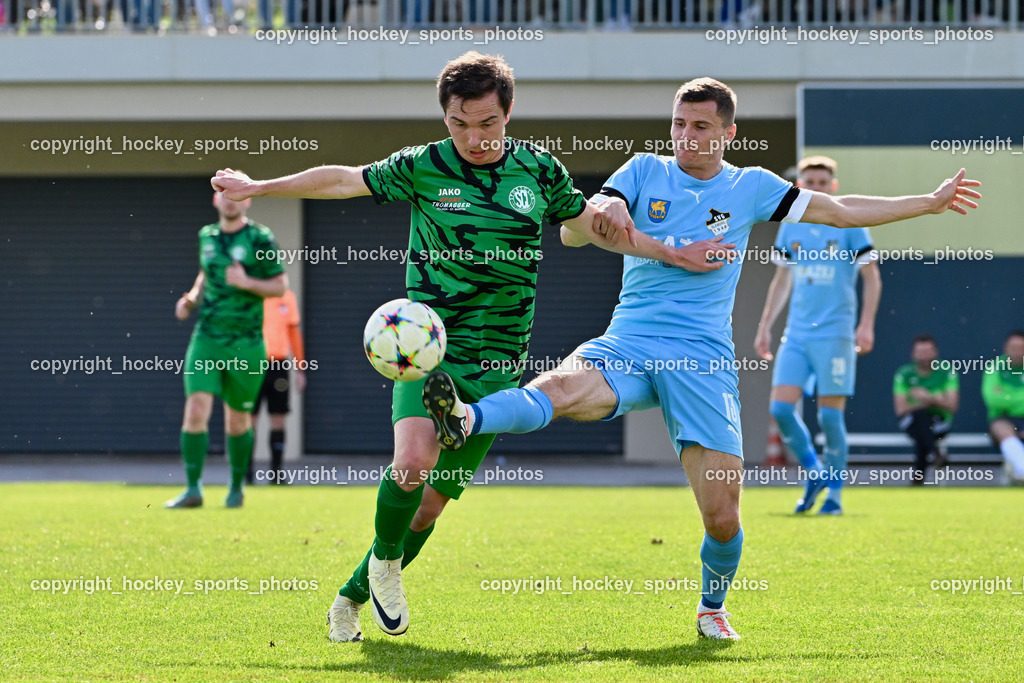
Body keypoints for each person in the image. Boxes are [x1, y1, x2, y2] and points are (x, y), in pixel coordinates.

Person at [423, 77, 981, 640]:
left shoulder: (753, 187)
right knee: (562, 388)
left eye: (701, 127)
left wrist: (929, 204)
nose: (686, 137)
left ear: (728, 133)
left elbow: (838, 210)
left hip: (702, 359)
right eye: (679, 124)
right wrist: (608, 208)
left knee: (723, 514)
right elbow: (599, 209)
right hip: (629, 342)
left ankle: (711, 607)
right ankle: (467, 417)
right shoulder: (644, 171)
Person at [211, 51, 697, 643]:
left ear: (508, 113)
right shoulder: (424, 165)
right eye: (460, 124)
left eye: (487, 124)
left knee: (431, 506)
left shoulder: (539, 173)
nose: (474, 137)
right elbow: (344, 179)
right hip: (426, 349)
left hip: (498, 362)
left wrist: (674, 253)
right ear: (445, 117)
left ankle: (350, 596)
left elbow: (600, 229)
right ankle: (387, 567)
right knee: (412, 464)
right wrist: (260, 186)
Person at [754, 155, 882, 515]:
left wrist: (867, 323)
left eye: (823, 183)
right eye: (810, 182)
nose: (817, 188)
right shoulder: (790, 225)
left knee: (829, 418)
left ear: (833, 187)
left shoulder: (850, 223)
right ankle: (814, 471)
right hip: (796, 335)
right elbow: (782, 280)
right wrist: (765, 325)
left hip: (836, 335)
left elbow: (872, 276)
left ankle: (836, 495)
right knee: (781, 409)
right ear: (800, 186)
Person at [167, 190, 286, 509]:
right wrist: (191, 298)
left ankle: (236, 488)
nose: (230, 200)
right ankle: (193, 489)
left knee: (237, 421)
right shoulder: (206, 236)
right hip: (207, 338)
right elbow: (207, 271)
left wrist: (247, 282)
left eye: (237, 194)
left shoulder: (260, 238)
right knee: (195, 410)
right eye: (224, 194)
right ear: (215, 201)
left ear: (247, 200)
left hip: (246, 343)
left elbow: (280, 286)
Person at [248, 287, 307, 485]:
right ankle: (245, 474)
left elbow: (294, 333)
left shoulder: (286, 296)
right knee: (249, 420)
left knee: (278, 419)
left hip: (279, 366)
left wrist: (300, 368)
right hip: (252, 364)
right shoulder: (249, 295)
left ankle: (276, 474)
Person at [893, 334, 959, 484]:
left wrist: (926, 398)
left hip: (939, 423)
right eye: (920, 352)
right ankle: (934, 453)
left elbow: (952, 406)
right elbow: (901, 409)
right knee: (921, 418)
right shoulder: (904, 374)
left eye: (928, 352)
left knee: (923, 427)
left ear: (935, 352)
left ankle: (918, 478)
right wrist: (933, 400)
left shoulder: (946, 371)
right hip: (910, 422)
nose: (924, 356)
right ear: (913, 354)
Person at [982, 330, 1024, 485]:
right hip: (1003, 419)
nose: (1017, 352)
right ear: (1005, 348)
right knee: (1001, 428)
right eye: (1013, 347)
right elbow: (993, 400)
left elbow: (1001, 399)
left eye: (1021, 348)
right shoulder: (995, 367)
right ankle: (1022, 469)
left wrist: (1007, 396)